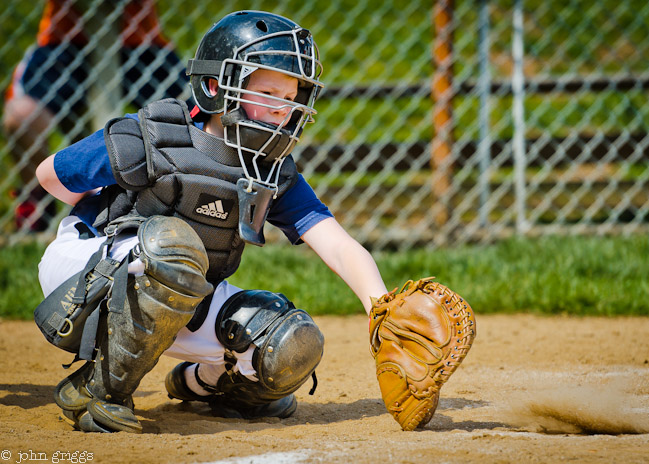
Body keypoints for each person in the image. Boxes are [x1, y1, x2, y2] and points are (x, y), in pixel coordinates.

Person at [34, 10, 388, 434]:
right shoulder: (154, 136)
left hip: (179, 292)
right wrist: (103, 210)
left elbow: (337, 245)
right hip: (86, 275)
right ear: (218, 85)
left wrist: (382, 311)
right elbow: (49, 175)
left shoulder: (268, 169)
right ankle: (99, 389)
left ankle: (205, 385)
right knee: (171, 247)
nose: (283, 110)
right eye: (270, 92)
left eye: (292, 97)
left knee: (289, 342)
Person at [4, 0, 190, 231]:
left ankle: (181, 195)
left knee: (192, 113)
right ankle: (38, 199)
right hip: (65, 40)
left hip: (139, 40)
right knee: (21, 114)